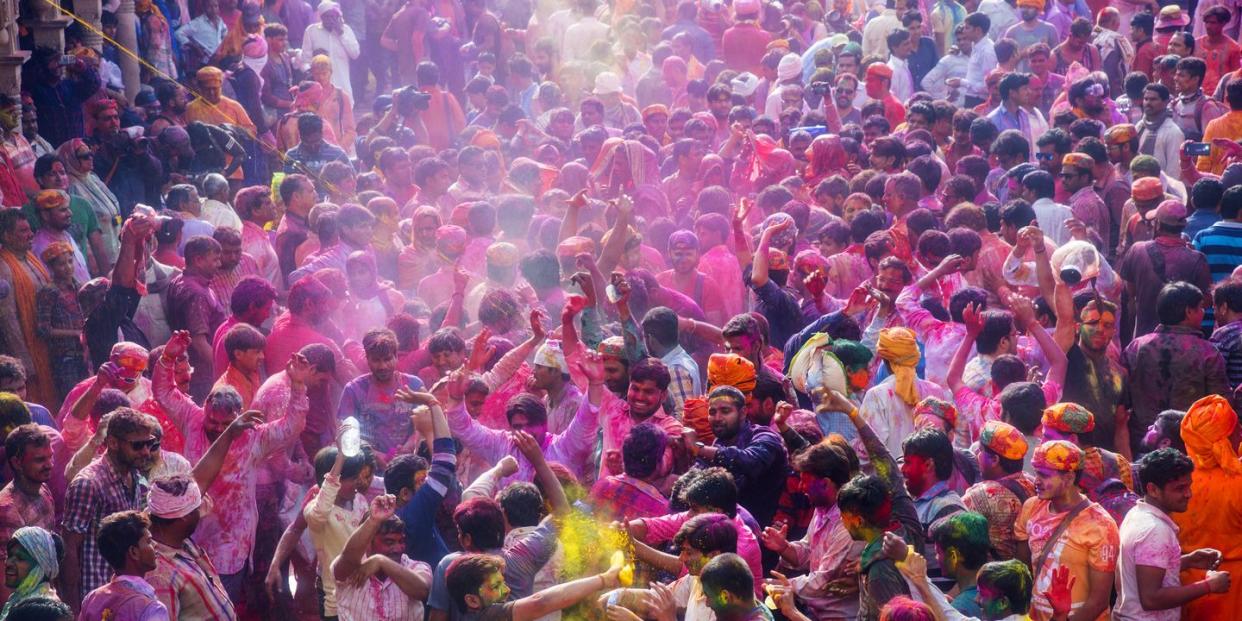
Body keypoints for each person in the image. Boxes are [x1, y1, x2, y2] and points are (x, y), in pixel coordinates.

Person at [1114, 447, 1231, 620]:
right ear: (1153, 489)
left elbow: (1144, 571)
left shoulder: (1137, 514)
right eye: (1180, 488)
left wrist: (1186, 561)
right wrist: (1208, 586)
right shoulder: (1154, 530)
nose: (1188, 494)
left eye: (1189, 486)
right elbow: (1151, 599)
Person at [60, 408, 154, 609]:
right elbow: (69, 548)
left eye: (149, 443)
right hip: (96, 595)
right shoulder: (88, 483)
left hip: (126, 593)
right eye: (137, 445)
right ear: (112, 443)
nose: (146, 451)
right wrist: (74, 609)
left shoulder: (134, 476)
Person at [1015, 440, 1119, 621]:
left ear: (1069, 478)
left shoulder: (1100, 525)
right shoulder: (1031, 507)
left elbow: (1098, 601)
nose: (1036, 481)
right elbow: (1022, 569)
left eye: (1044, 475)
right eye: (1036, 473)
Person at [144, 474, 236, 619]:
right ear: (183, 518)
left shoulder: (182, 541)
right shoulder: (159, 575)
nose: (201, 514)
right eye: (197, 510)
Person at [331, 494, 433, 621]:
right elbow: (347, 559)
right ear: (368, 543)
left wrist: (381, 561)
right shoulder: (351, 567)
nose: (398, 548)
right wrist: (373, 520)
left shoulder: (415, 567)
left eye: (401, 541)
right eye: (389, 542)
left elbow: (422, 591)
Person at [79, 510, 168, 621]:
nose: (155, 545)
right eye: (149, 541)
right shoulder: (151, 609)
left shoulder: (92, 599)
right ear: (134, 552)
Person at [0, 526, 62, 619]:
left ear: (40, 567)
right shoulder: (18, 600)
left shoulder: (42, 611)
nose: (8, 563)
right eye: (9, 556)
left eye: (20, 558)